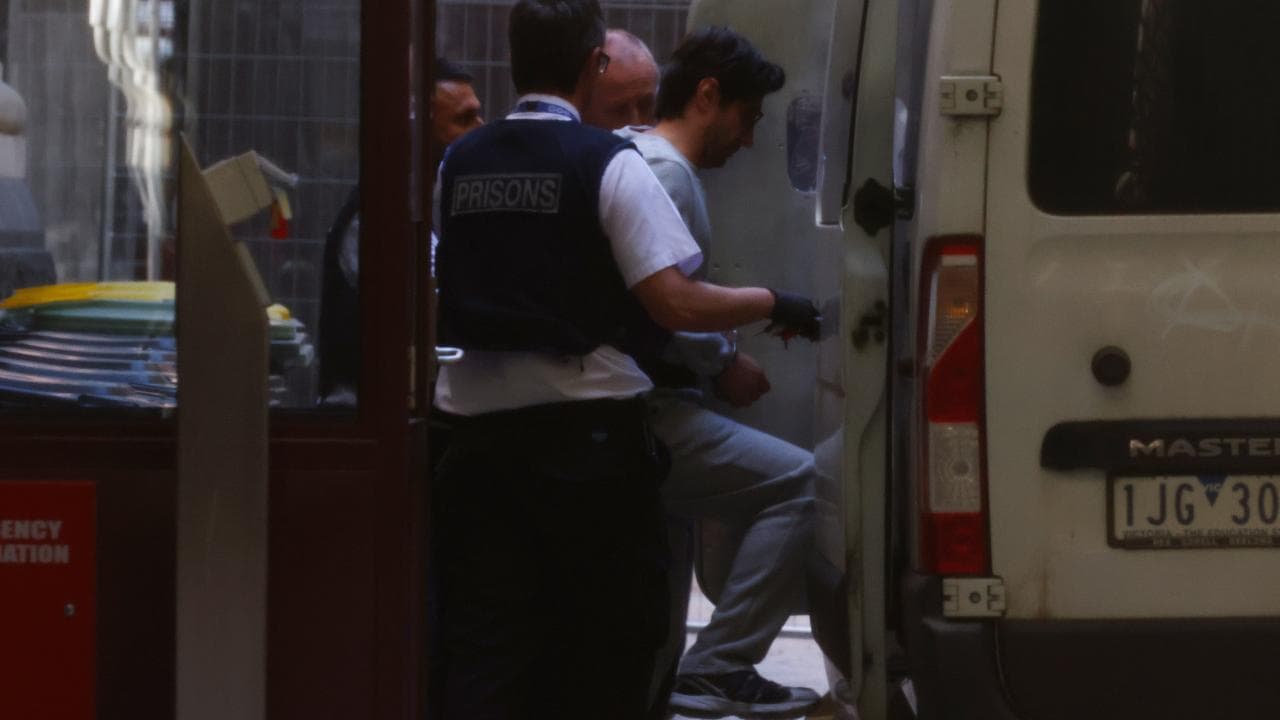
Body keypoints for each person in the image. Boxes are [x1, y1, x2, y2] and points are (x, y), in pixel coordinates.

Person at [430, 1, 822, 718]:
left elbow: (437, 284)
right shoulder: (607, 162)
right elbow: (673, 303)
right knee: (608, 645)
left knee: (491, 646)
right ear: (594, 64)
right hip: (586, 450)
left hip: (477, 449)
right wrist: (773, 300)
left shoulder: (460, 162)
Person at [583, 28, 823, 719]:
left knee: (663, 576)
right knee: (804, 485)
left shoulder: (635, 158)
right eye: (747, 119)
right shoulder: (665, 171)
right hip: (646, 404)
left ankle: (669, 687)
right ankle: (717, 666)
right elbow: (667, 302)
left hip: (632, 403)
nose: (748, 140)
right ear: (708, 96)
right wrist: (723, 364)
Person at [318, 58, 483, 403]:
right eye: (464, 119)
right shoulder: (377, 214)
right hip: (370, 411)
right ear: (416, 129)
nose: (480, 129)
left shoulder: (424, 204)